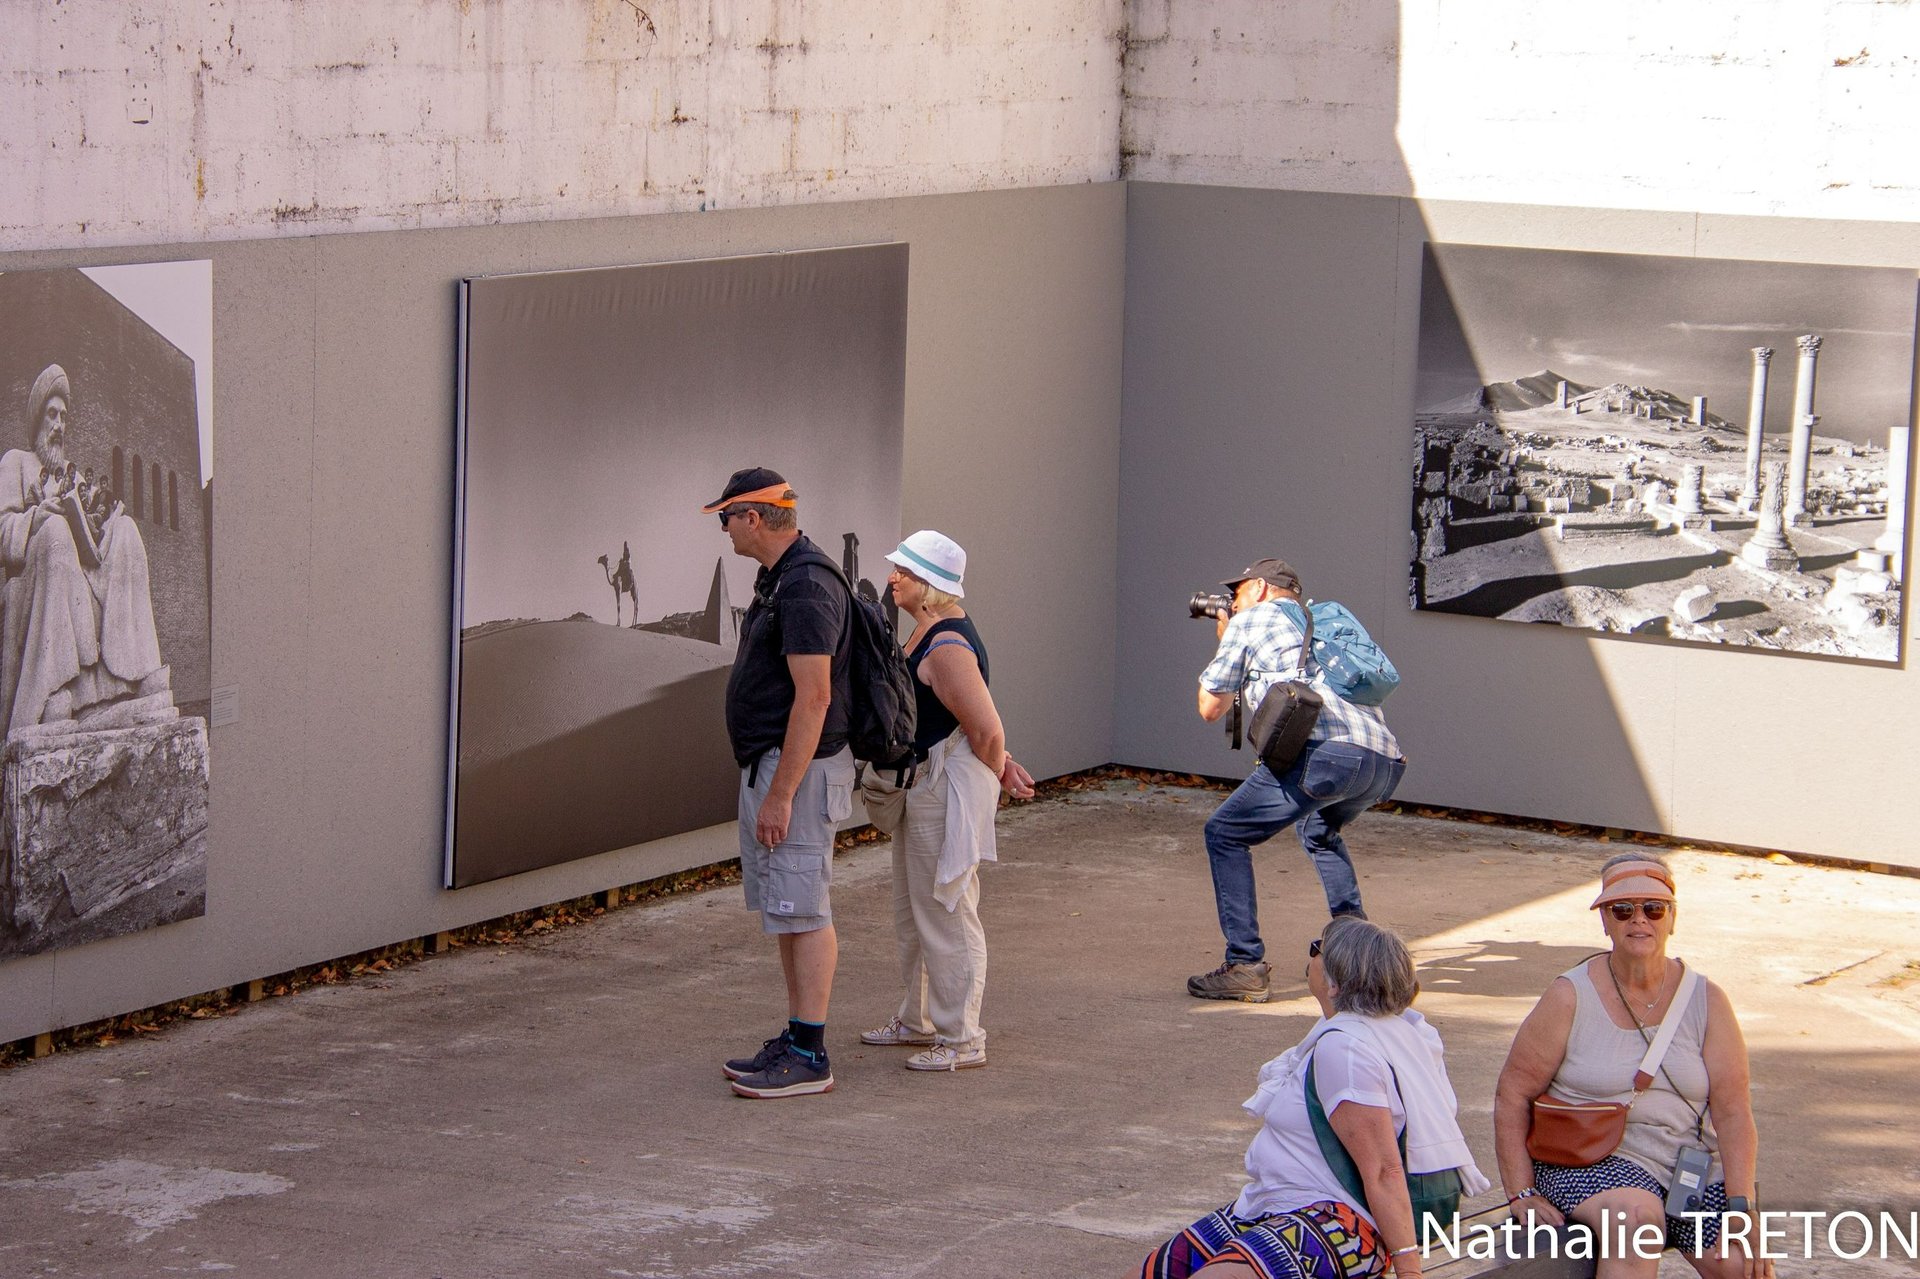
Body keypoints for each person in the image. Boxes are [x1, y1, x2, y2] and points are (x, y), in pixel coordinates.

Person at [1143, 917, 1489, 1279]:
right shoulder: (1380, 1028)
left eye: (1317, 949)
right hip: (1274, 1202)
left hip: (1341, 1219)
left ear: (1336, 984)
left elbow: (1384, 1170)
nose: (1310, 955)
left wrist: (1409, 1271)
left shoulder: (1347, 1049)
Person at [1492, 855, 1771, 1279]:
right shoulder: (1569, 995)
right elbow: (1513, 1093)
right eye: (1622, 909)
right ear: (1605, 921)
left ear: (1672, 919)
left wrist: (1741, 1207)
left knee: (1742, 1265)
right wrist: (1520, 1192)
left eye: (1653, 908)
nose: (1638, 919)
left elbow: (1733, 1110)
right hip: (1593, 1158)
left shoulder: (1707, 999)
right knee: (1635, 1223)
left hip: (1686, 1166)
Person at [1187, 559, 1406, 1003]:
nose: (1232, 602)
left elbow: (1210, 707)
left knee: (1224, 833)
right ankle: (1357, 960)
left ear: (1261, 588)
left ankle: (1245, 964)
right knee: (1318, 830)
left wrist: (1228, 637)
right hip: (1382, 762)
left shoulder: (1253, 620)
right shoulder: (1320, 622)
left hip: (1326, 758)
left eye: (1238, 593)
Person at [855, 530, 1034, 1072]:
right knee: (915, 911)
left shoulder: (947, 644)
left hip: (942, 786)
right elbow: (972, 724)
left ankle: (962, 1038)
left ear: (929, 585)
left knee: (946, 911)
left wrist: (997, 768)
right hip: (928, 783)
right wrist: (1002, 764)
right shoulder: (930, 630)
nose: (893, 577)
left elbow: (986, 728)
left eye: (904, 572)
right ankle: (918, 1021)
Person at [705, 467, 856, 1099]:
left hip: (799, 771)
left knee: (805, 907)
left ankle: (810, 1055)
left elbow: (815, 698)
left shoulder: (805, 587)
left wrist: (781, 794)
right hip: (777, 766)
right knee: (788, 909)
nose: (724, 530)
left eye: (726, 518)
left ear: (754, 517)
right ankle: (797, 1037)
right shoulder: (782, 578)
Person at [0, 364, 170, 740]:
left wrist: (106, 522)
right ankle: (53, 692)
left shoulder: (74, 477)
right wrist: (38, 516)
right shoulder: (15, 463)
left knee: (127, 531)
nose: (59, 425)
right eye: (52, 415)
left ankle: (135, 674)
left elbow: (93, 523)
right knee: (57, 530)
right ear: (38, 420)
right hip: (38, 574)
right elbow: (2, 533)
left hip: (81, 566)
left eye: (64, 417)